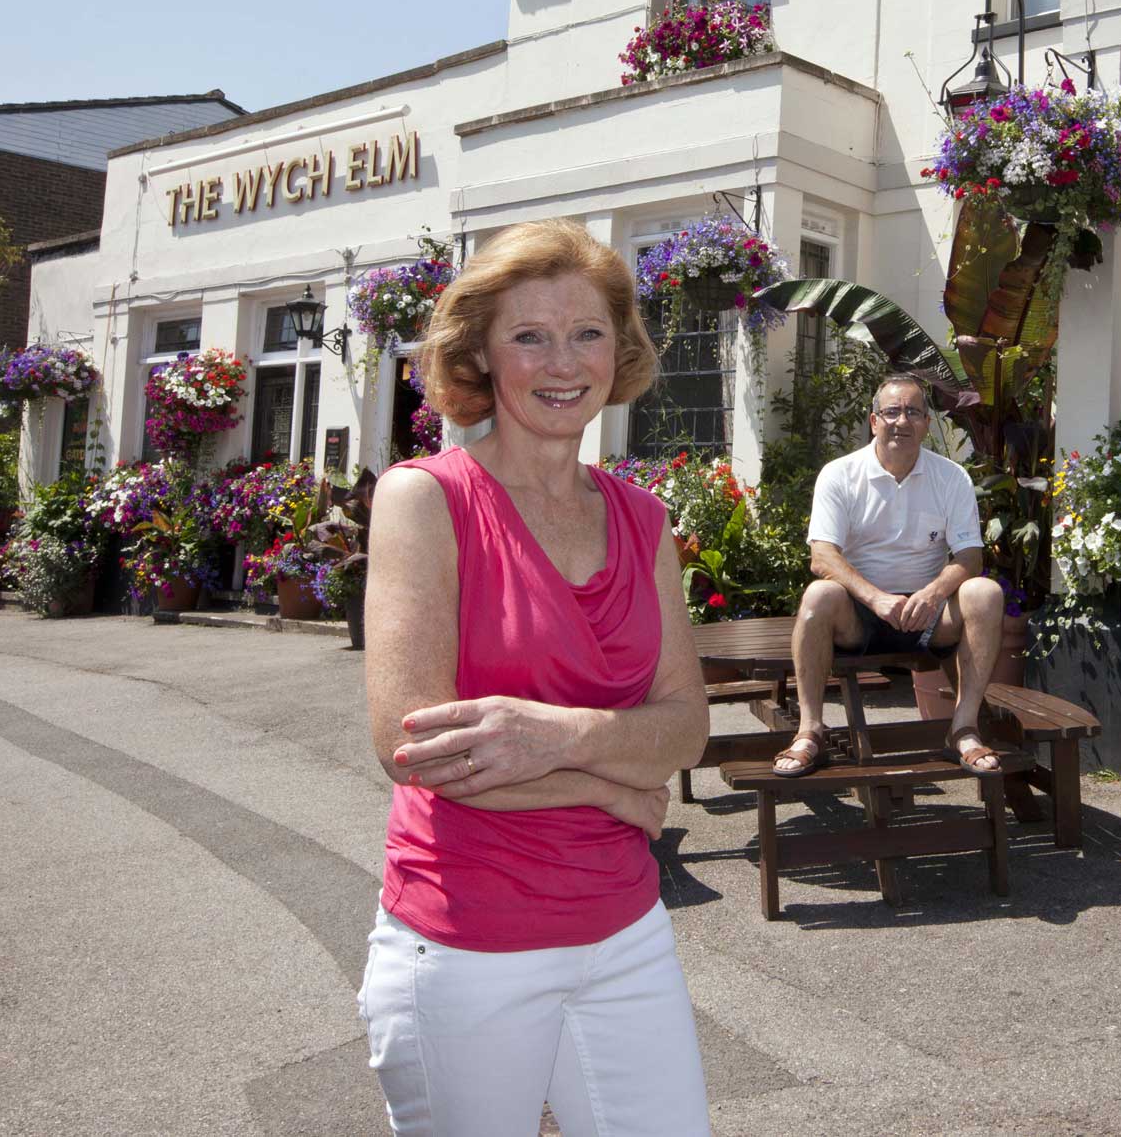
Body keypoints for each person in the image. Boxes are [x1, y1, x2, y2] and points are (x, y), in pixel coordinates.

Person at [360, 218, 712, 1136]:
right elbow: (415, 745)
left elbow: (685, 726)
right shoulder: (424, 498)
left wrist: (553, 738)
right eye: (529, 335)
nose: (563, 361)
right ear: (480, 353)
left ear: (619, 350)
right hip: (467, 939)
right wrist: (611, 784)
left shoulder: (644, 519)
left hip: (626, 927)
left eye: (587, 332)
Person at [771, 372, 1005, 778]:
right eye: (892, 411)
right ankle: (810, 731)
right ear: (874, 420)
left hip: (928, 616)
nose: (902, 421)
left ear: (927, 424)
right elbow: (822, 555)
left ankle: (963, 729)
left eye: (913, 412)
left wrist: (932, 594)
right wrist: (876, 598)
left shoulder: (951, 477)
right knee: (816, 596)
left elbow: (970, 555)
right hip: (860, 617)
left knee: (984, 593)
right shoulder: (840, 474)